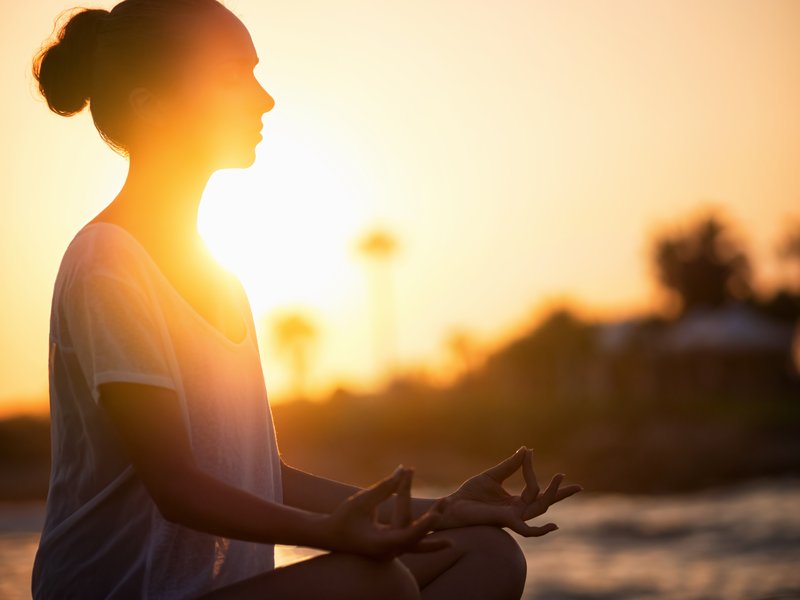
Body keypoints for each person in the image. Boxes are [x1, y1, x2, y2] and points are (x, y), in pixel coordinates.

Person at [30, 1, 583, 598]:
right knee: (378, 585)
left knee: (486, 555)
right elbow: (177, 485)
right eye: (233, 75)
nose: (264, 99)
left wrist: (441, 509)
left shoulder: (220, 279)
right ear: (151, 105)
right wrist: (330, 534)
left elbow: (268, 477)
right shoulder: (108, 262)